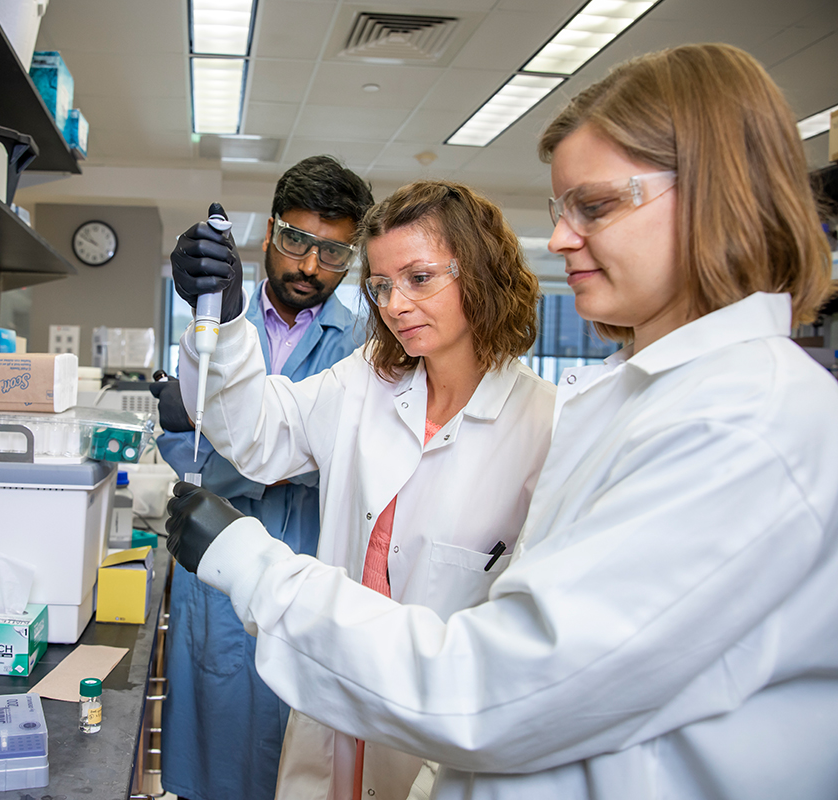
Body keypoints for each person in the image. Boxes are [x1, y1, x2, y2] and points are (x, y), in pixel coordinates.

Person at [164, 42, 838, 800]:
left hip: (427, 729)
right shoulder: (396, 382)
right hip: (353, 726)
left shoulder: (735, 424)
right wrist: (214, 327)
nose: (559, 238)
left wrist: (248, 562)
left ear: (716, 196)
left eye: (597, 205)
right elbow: (259, 432)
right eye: (381, 285)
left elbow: (497, 689)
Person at [169, 177, 555, 799]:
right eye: (380, 286)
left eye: (420, 278)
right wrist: (230, 318)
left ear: (480, 273)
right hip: (332, 707)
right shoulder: (366, 381)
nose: (395, 304)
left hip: (436, 745)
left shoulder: (545, 428)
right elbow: (256, 435)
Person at [152, 155, 373, 800]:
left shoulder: (364, 344)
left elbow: (337, 464)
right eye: (298, 241)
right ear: (270, 231)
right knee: (216, 746)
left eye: (333, 254)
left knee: (296, 752)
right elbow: (185, 450)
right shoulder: (216, 321)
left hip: (307, 559)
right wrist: (236, 452)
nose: (309, 266)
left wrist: (241, 455)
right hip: (214, 562)